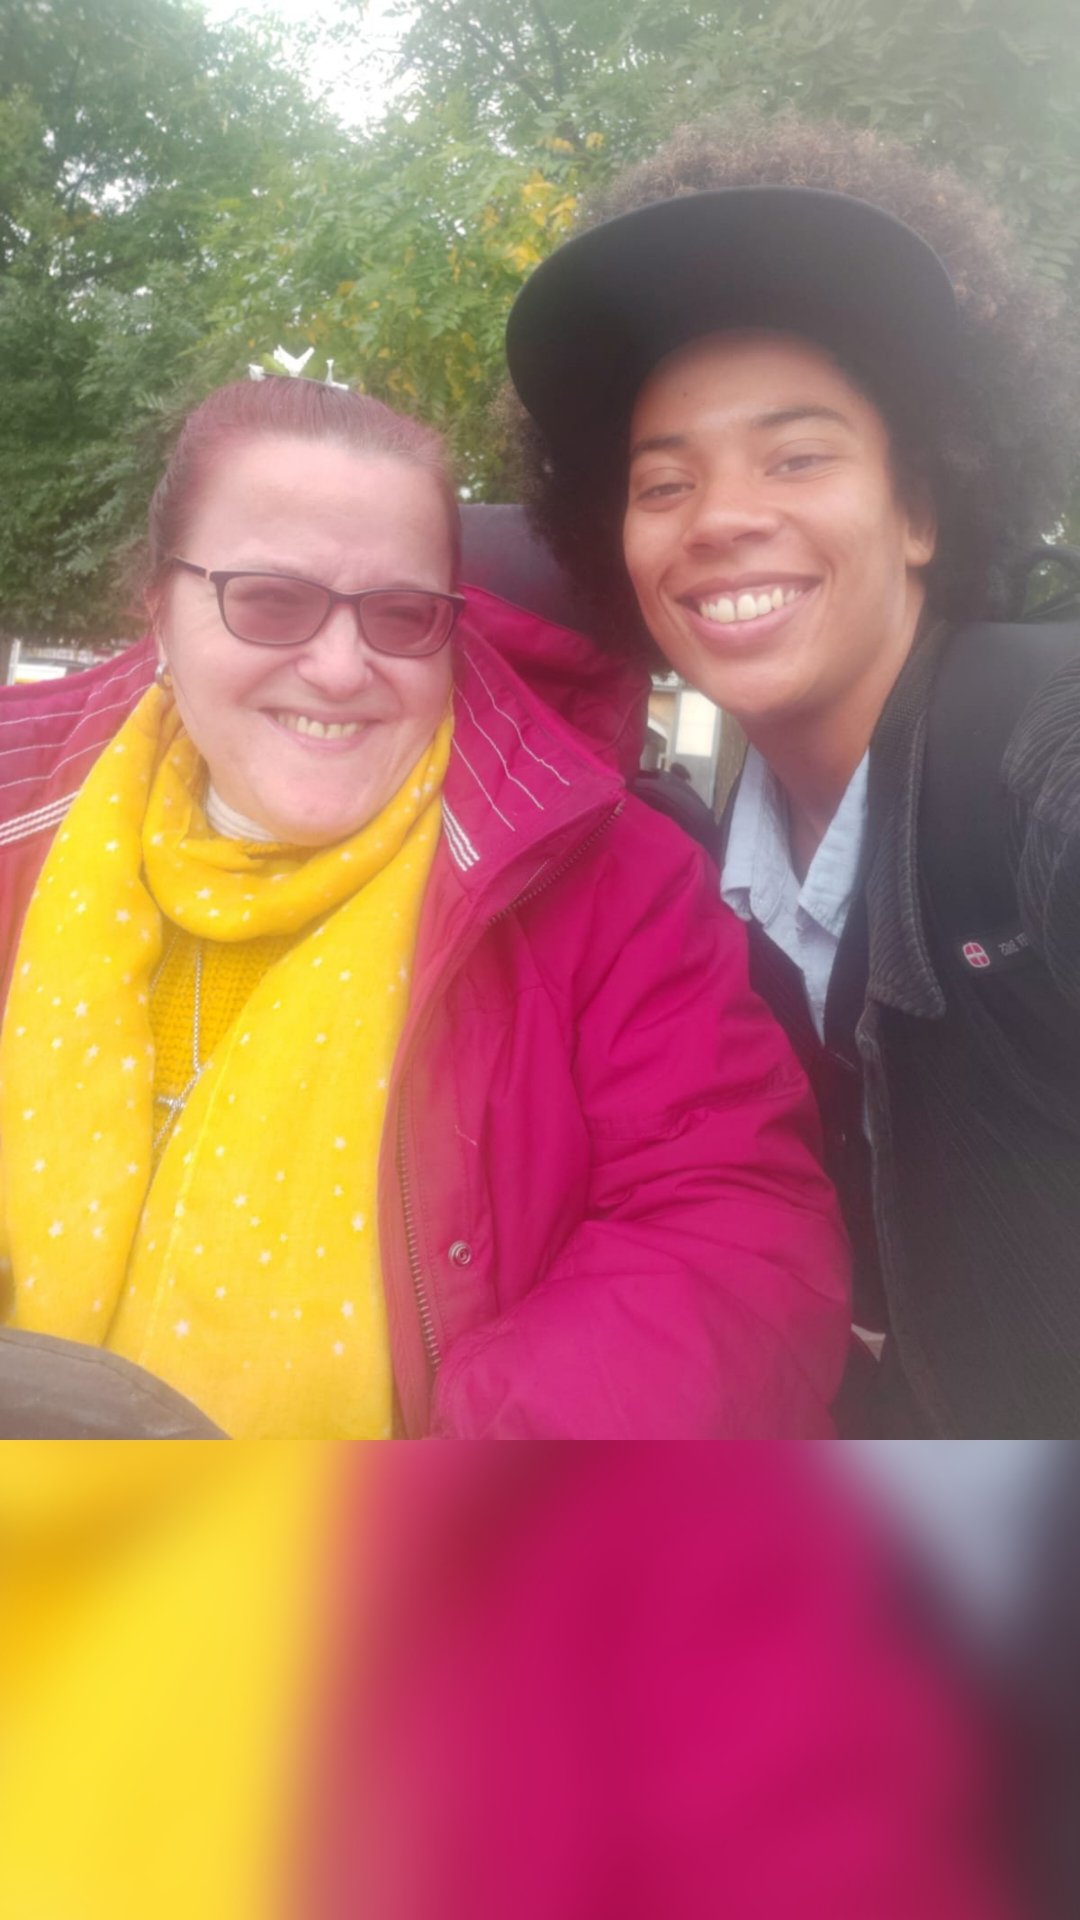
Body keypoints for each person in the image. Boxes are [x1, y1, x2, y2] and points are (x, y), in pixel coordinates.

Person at [0, 372, 849, 1438]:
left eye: (401, 615)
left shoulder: (612, 884)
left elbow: (730, 1234)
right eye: (270, 599)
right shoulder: (19, 815)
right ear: (159, 610)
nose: (339, 668)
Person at [506, 109, 1080, 1437]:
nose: (722, 519)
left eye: (800, 456)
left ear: (921, 509)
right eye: (664, 484)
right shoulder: (704, 874)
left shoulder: (1040, 759)